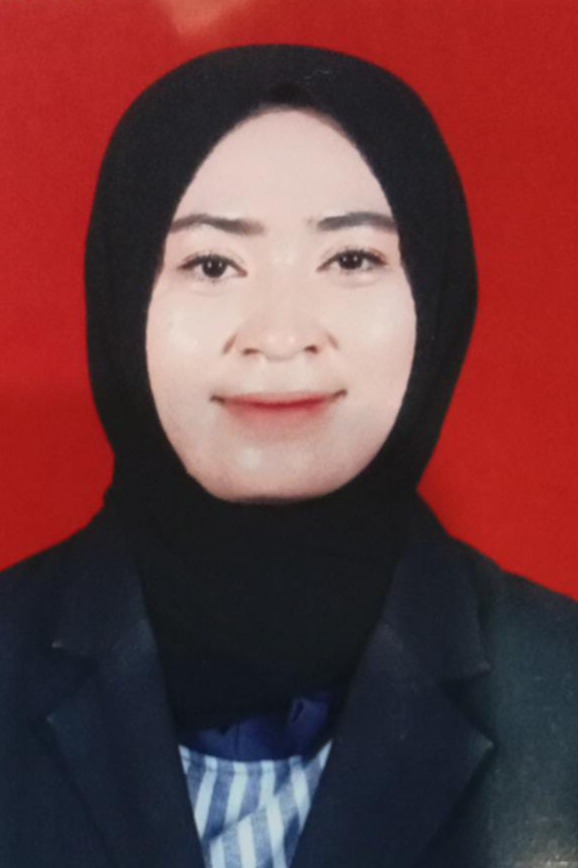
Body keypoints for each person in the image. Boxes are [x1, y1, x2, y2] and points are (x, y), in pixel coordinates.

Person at [1, 44, 577, 868]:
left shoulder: (562, 682)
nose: (279, 336)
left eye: (351, 259)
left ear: (437, 296)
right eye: (212, 264)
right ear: (122, 296)